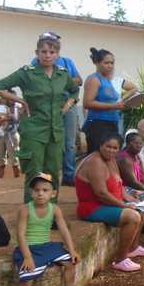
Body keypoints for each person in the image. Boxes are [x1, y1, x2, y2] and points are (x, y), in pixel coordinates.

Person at [0, 34, 80, 202]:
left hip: (56, 131)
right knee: (34, 171)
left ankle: (50, 211)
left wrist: (67, 106)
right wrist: (20, 101)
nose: (48, 55)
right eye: (43, 51)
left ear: (57, 55)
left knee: (52, 172)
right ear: (36, 53)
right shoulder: (27, 73)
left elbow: (74, 90)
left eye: (52, 52)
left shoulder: (62, 74)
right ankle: (31, 213)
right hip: (34, 130)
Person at [14, 173, 83, 286]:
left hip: (47, 247)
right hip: (29, 248)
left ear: (53, 194)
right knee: (27, 278)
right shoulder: (25, 210)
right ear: (31, 193)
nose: (40, 193)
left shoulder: (55, 209)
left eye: (45, 190)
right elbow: (20, 235)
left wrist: (72, 250)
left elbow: (64, 230)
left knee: (70, 262)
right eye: (36, 190)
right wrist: (27, 256)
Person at [75, 133, 144, 273]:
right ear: (100, 145)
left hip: (107, 204)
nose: (111, 150)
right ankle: (120, 259)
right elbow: (101, 193)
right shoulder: (95, 161)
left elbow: (119, 185)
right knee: (133, 217)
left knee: (141, 209)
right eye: (108, 147)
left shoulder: (111, 160)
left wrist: (130, 199)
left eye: (115, 148)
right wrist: (124, 205)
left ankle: (133, 248)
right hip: (92, 207)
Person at [30, 31, 83, 186]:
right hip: (46, 107)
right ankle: (45, 175)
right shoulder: (35, 62)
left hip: (68, 105)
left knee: (70, 142)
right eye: (45, 47)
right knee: (46, 141)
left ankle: (68, 175)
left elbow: (79, 80)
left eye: (53, 48)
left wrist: (61, 81)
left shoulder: (67, 62)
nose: (48, 53)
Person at [82, 48, 136, 154]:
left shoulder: (110, 81)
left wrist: (123, 101)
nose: (110, 66)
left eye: (112, 63)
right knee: (97, 156)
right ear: (97, 63)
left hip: (112, 123)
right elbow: (87, 103)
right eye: (106, 63)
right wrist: (114, 106)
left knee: (110, 157)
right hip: (98, 124)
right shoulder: (94, 79)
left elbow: (133, 89)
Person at [0, 96, 20, 179]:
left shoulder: (15, 110)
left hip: (11, 136)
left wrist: (6, 118)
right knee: (1, 160)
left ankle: (17, 179)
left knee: (14, 160)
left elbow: (15, 120)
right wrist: (1, 120)